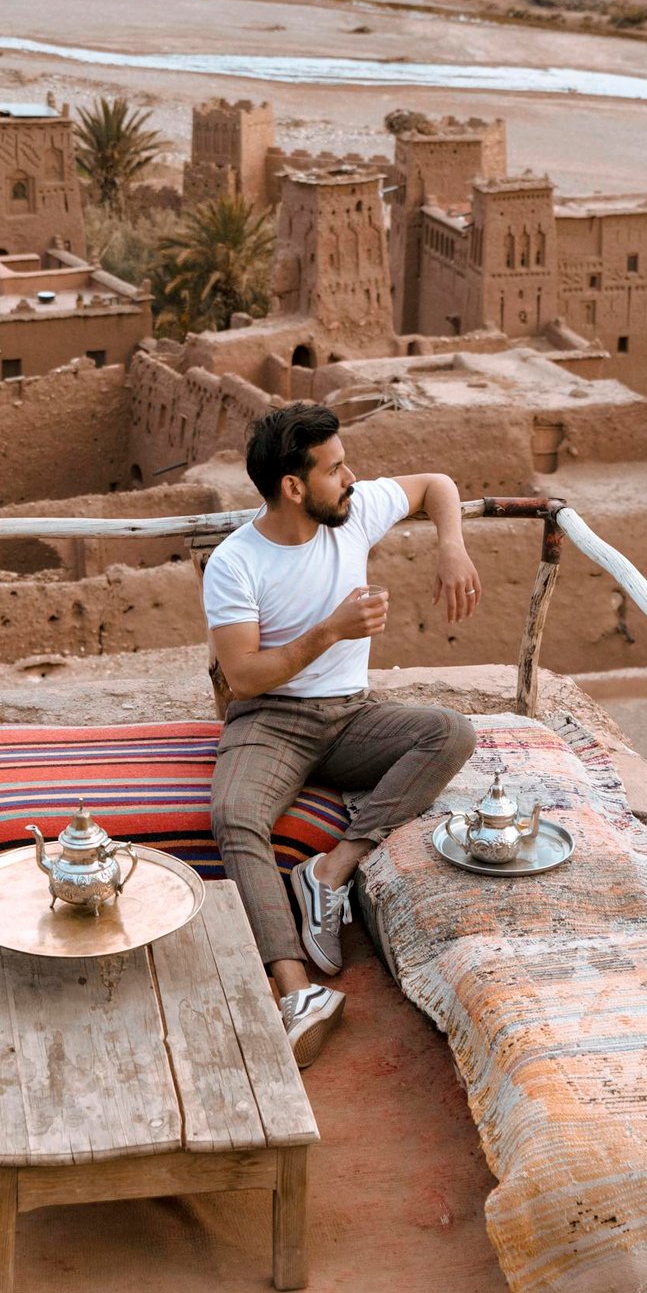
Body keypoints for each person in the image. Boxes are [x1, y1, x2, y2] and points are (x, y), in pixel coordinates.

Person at [201, 401, 481, 1064]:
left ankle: (329, 873)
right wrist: (331, 631)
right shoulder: (236, 563)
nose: (351, 477)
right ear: (295, 488)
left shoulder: (353, 511)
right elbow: (243, 677)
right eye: (334, 469)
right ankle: (297, 991)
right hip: (271, 720)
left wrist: (450, 544)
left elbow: (436, 485)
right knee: (234, 815)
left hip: (352, 716)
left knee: (450, 734)